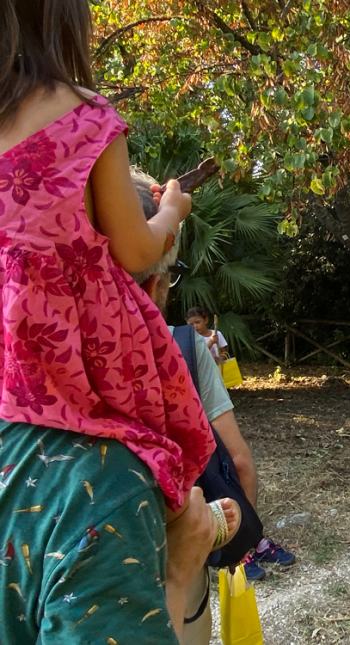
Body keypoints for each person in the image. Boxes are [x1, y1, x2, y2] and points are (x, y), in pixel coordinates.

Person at [0, 2, 237, 641]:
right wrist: (172, 211)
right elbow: (136, 252)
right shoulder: (82, 112)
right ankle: (181, 535)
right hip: (82, 371)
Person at [131, 170, 295, 641]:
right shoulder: (183, 348)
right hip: (172, 573)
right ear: (159, 277)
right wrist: (233, 540)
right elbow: (237, 460)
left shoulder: (32, 360)